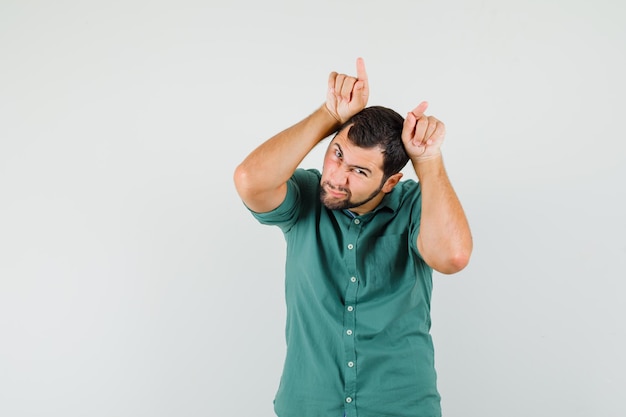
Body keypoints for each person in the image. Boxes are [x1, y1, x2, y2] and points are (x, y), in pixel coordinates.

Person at [233, 58, 473, 417]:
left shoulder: (415, 204)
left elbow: (452, 256)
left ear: (390, 182)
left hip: (401, 408)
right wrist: (329, 113)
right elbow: (250, 180)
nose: (337, 177)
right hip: (309, 406)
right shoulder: (306, 193)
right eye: (337, 154)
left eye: (359, 171)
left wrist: (428, 159)